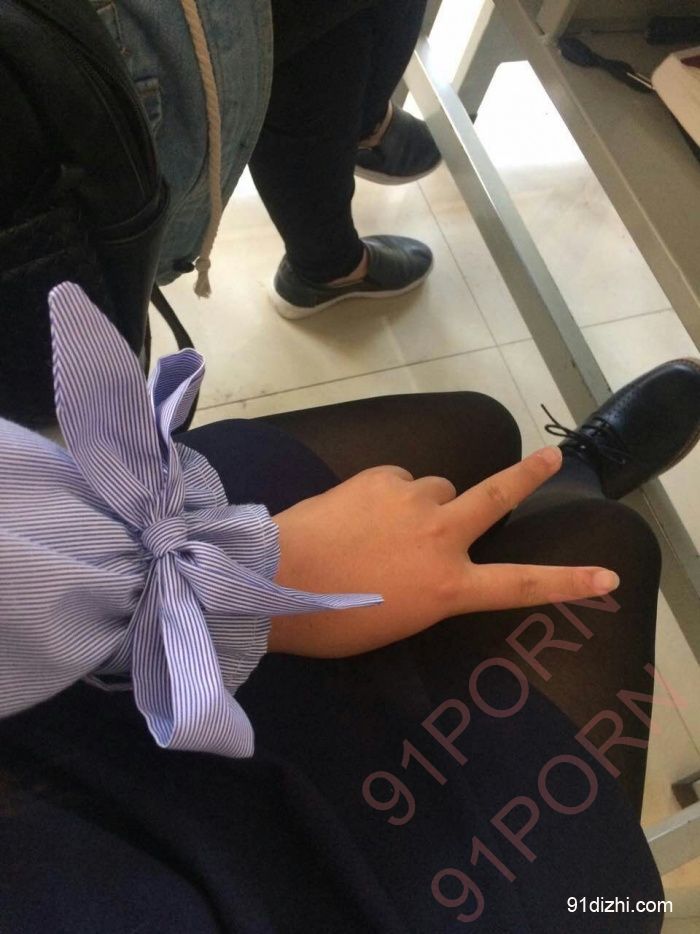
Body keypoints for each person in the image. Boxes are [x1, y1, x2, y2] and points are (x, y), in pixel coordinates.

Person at [2, 279, 700, 931]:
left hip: (50, 664)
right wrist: (256, 592)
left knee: (471, 430)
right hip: (272, 885)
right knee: (607, 542)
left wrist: (269, 570)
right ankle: (577, 482)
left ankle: (543, 489)